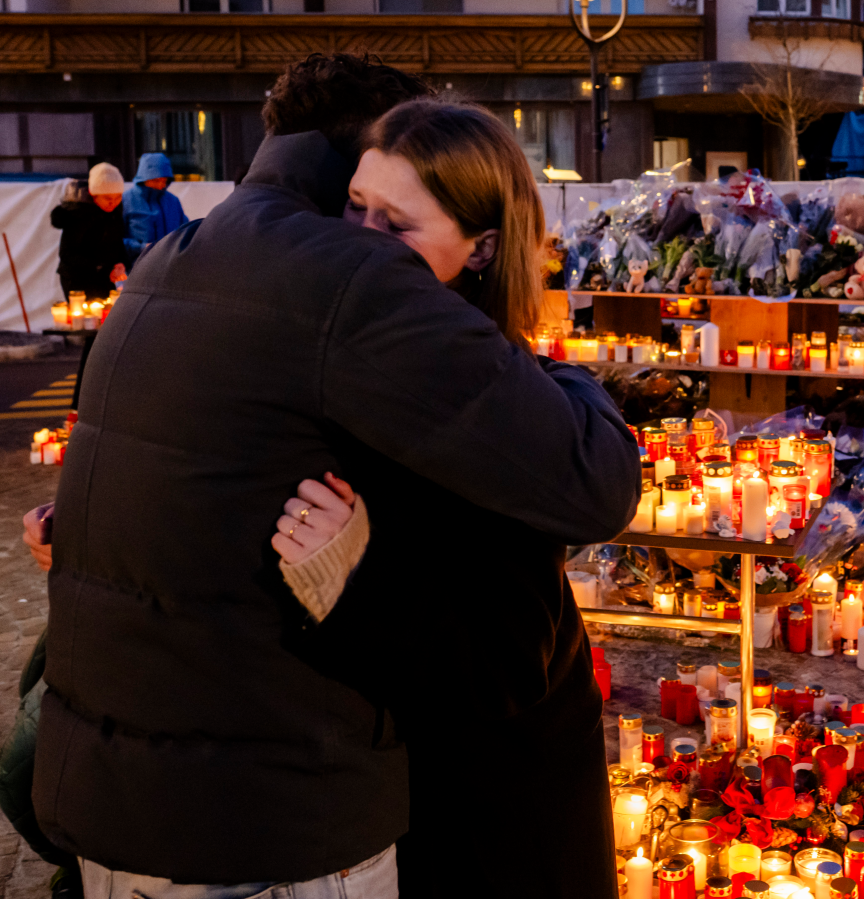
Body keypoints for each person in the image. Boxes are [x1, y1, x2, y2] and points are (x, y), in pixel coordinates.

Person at [34, 54, 639, 899]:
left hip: (487, 831)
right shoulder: (358, 331)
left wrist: (356, 584)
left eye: (397, 222)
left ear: (481, 247)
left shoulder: (453, 383)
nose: (362, 239)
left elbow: (506, 658)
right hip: (271, 810)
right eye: (356, 205)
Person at [49, 162, 128, 300]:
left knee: (107, 316)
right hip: (77, 281)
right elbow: (67, 254)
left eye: (118, 197)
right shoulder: (78, 215)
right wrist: (102, 268)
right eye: (108, 198)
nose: (113, 203)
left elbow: (116, 242)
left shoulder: (114, 212)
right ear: (93, 194)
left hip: (104, 278)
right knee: (86, 319)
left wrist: (120, 263)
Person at [121, 152, 189, 264]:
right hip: (138, 269)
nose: (161, 185)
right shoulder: (126, 200)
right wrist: (142, 247)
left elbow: (185, 230)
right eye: (156, 180)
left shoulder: (173, 201)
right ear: (143, 179)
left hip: (172, 267)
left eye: (164, 180)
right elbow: (116, 241)